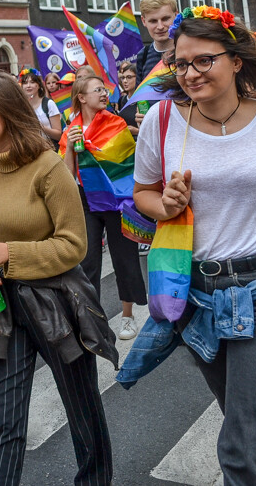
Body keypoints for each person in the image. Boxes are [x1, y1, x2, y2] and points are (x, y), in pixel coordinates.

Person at [120, 7, 256, 485]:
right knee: (246, 411)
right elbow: (142, 193)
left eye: (203, 61)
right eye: (180, 63)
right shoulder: (161, 121)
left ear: (235, 59)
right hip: (199, 295)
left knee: (244, 446)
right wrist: (164, 204)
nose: (189, 73)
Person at [0, 73, 115, 485]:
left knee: (82, 409)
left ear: (8, 113)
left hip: (56, 302)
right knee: (4, 416)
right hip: (2, 303)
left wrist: (10, 253)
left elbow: (74, 246)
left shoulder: (49, 167)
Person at [61, 74, 147, 340]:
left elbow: (127, 164)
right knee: (87, 262)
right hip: (87, 201)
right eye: (97, 89)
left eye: (104, 89)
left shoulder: (117, 123)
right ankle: (92, 319)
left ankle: (127, 316)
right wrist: (72, 149)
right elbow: (66, 174)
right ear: (81, 98)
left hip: (118, 201)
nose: (103, 93)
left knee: (125, 259)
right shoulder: (70, 129)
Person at [134, 0, 179, 82]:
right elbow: (140, 94)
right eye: (153, 21)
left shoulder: (189, 50)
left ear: (176, 15)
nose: (160, 26)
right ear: (143, 21)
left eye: (165, 19)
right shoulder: (143, 56)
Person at [18, 67, 62, 141]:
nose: (28, 86)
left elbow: (58, 135)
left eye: (32, 82)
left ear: (39, 85)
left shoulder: (49, 104)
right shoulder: (21, 106)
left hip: (49, 148)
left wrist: (41, 127)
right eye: (25, 83)